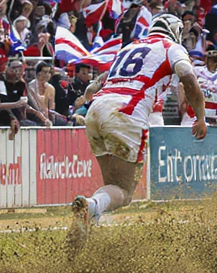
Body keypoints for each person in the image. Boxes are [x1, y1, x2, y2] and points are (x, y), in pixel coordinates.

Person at [73, 14, 206, 243]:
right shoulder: (172, 48)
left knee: (111, 185)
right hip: (126, 113)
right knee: (123, 192)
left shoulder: (129, 47)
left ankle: (89, 221)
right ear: (174, 32)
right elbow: (189, 80)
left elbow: (91, 90)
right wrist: (201, 117)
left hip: (96, 110)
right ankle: (91, 207)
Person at [184, 49, 217, 143]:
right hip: (193, 115)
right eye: (212, 60)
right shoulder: (196, 71)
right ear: (206, 60)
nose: (214, 63)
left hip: (211, 117)